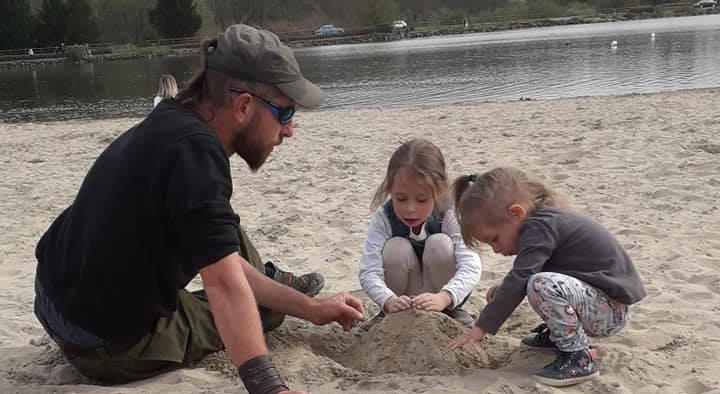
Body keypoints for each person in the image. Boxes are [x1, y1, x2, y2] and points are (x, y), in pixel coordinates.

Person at [34, 24, 364, 394]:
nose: (289, 131)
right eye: (286, 114)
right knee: (263, 311)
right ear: (242, 107)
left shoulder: (171, 119)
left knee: (221, 231)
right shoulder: (198, 159)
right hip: (103, 343)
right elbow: (224, 285)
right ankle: (276, 282)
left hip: (57, 295)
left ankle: (278, 282)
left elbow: (219, 258)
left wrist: (313, 309)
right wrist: (269, 388)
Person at [449, 167, 646, 387]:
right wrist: (504, 288)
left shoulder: (540, 226)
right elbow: (530, 270)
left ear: (516, 213)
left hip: (610, 311)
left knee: (540, 285)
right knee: (531, 284)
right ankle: (559, 336)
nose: (496, 249)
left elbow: (524, 275)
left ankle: (579, 358)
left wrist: (481, 327)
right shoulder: (543, 220)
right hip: (601, 303)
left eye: (494, 239)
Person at [358, 139, 482, 329]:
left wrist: (445, 297)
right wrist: (387, 300)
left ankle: (450, 312)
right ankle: (387, 314)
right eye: (401, 198)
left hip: (440, 295)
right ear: (390, 189)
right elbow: (368, 270)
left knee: (440, 243)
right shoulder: (383, 216)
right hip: (401, 299)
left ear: (438, 192)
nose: (410, 209)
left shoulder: (449, 213)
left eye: (422, 200)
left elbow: (471, 265)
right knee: (395, 248)